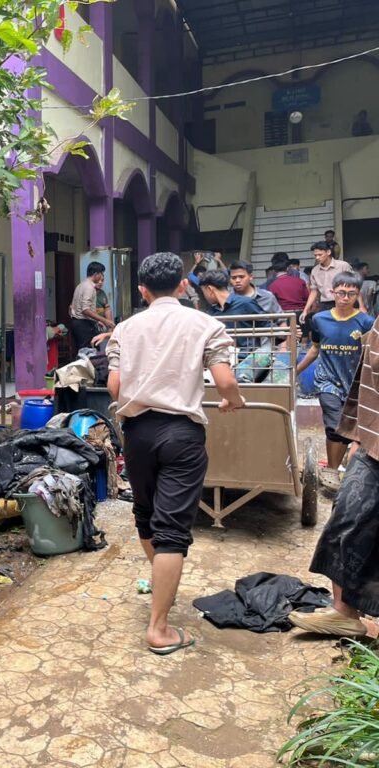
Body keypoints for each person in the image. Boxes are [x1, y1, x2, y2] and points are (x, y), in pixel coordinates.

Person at [106, 253, 243, 655]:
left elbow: (114, 387)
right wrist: (234, 400)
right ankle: (159, 628)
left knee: (145, 515)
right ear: (184, 285)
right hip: (181, 433)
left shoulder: (125, 329)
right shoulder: (205, 324)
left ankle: (162, 582)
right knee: (171, 530)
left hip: (137, 432)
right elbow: (224, 380)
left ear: (142, 290)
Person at [288, 314, 379, 639]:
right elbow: (366, 381)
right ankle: (344, 613)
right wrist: (358, 434)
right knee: (346, 518)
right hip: (373, 442)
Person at [295, 272, 374, 488]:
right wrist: (296, 370)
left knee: (349, 429)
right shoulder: (319, 319)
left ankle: (341, 466)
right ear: (332, 292)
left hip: (355, 383)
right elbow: (315, 349)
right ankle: (331, 469)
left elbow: (370, 354)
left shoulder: (366, 322)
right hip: (327, 380)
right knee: (335, 425)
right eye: (341, 292)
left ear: (357, 295)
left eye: (351, 293)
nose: (345, 297)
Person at [199, 269, 264, 354]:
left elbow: (269, 327)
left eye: (203, 291)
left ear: (210, 289)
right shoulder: (212, 312)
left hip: (248, 359)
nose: (204, 296)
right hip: (224, 358)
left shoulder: (245, 303)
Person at [300, 241, 353, 324]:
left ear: (328, 252)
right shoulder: (315, 271)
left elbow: (354, 286)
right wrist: (305, 310)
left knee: (344, 326)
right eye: (315, 255)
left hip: (343, 302)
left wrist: (361, 305)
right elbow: (314, 291)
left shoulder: (343, 266)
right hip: (325, 304)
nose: (317, 258)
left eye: (320, 255)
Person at [69, 262, 114, 353]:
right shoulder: (89, 287)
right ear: (96, 274)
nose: (101, 277)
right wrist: (105, 320)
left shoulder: (81, 285)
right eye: (101, 273)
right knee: (90, 353)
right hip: (83, 324)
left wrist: (97, 321)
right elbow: (85, 309)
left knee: (83, 353)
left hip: (77, 323)